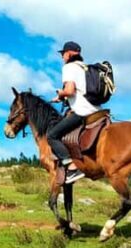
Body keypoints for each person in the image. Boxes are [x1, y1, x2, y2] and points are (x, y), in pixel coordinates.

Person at [48, 41, 100, 184]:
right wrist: (61, 98)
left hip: (82, 111)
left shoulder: (69, 67)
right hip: (97, 110)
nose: (62, 57)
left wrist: (61, 92)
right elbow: (80, 91)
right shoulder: (86, 67)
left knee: (52, 135)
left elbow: (70, 90)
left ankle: (72, 167)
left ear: (69, 53)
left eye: (63, 54)